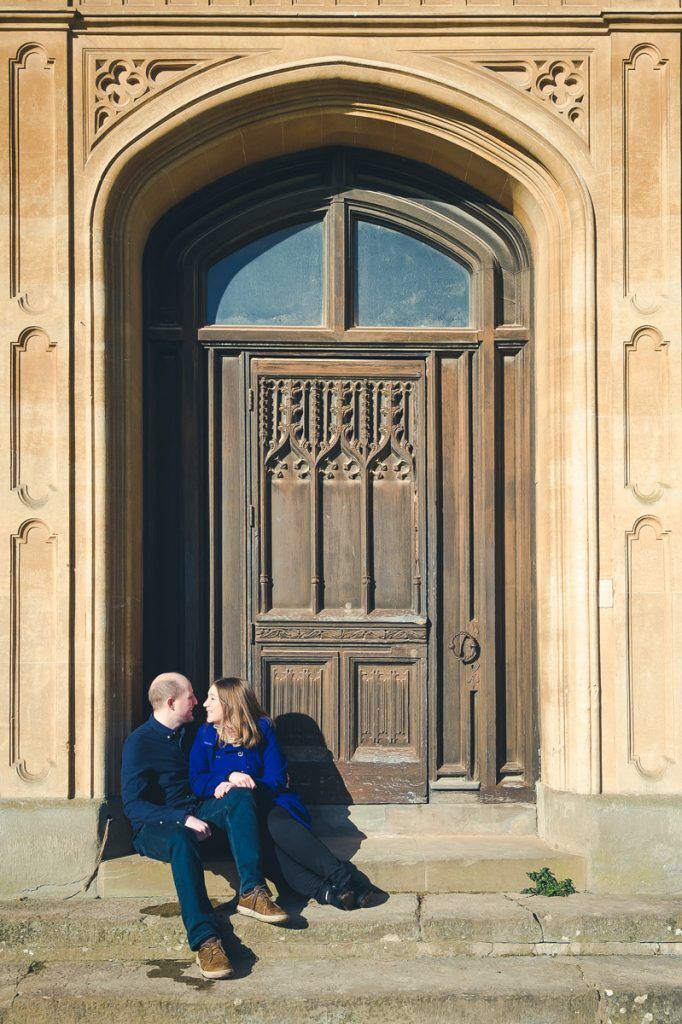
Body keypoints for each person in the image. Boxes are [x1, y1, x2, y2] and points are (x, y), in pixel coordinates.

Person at [121, 671, 289, 981]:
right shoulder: (139, 743)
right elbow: (133, 806)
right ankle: (206, 941)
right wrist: (182, 819)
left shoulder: (192, 734)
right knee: (180, 840)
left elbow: (203, 777)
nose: (198, 703)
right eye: (191, 697)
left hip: (198, 812)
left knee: (239, 797)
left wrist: (224, 783)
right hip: (157, 827)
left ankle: (251, 891)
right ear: (171, 702)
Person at [189, 676, 375, 911]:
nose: (205, 703)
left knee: (277, 825)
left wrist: (247, 784)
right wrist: (226, 779)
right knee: (264, 848)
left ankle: (344, 880)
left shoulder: (262, 729)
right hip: (234, 816)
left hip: (271, 802)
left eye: (212, 698)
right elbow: (197, 780)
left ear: (230, 703)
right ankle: (331, 893)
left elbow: (277, 778)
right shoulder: (205, 736)